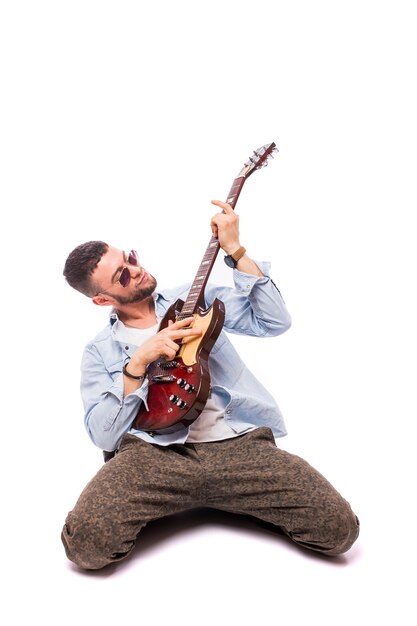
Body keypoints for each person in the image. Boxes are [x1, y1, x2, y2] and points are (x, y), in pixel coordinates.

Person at [61, 199, 359, 570]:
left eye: (131, 258)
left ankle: (235, 500)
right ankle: (175, 504)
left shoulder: (196, 299)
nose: (135, 271)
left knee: (338, 529)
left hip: (239, 446)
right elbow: (103, 436)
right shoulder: (99, 352)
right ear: (102, 299)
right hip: (154, 456)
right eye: (121, 275)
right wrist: (137, 364)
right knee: (87, 545)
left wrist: (235, 249)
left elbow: (274, 321)